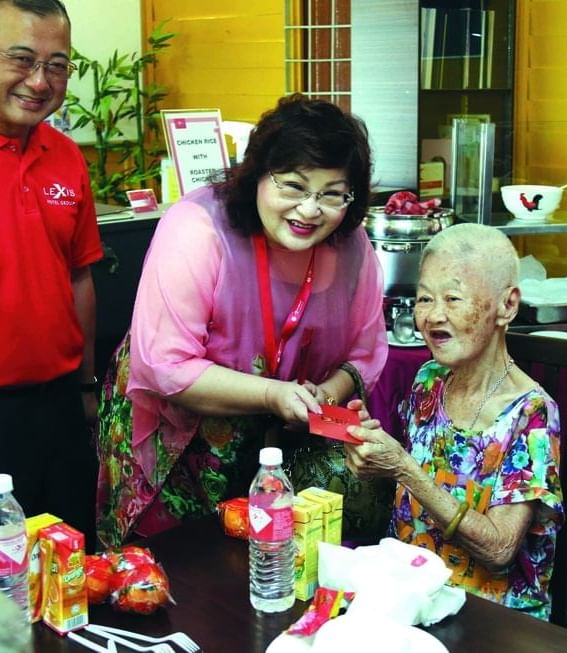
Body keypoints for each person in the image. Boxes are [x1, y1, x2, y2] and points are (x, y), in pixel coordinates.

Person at [96, 94, 389, 547]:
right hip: (177, 433)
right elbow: (165, 365)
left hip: (274, 445)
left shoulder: (350, 246)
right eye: (293, 185)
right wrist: (275, 394)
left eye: (332, 194)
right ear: (257, 175)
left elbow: (366, 352)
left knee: (261, 573)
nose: (311, 210)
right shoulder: (198, 228)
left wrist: (324, 394)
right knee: (169, 571)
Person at [344, 223, 564, 619]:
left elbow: (499, 551)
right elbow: (415, 489)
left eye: (453, 298)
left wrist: (404, 469)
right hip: (412, 593)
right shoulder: (429, 379)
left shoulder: (531, 413)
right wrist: (369, 451)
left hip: (491, 616)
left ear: (507, 306)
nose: (432, 316)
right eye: (425, 298)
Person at [0, 0, 102, 546]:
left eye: (57, 64)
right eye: (21, 58)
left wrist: (86, 387)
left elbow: (79, 276)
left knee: (70, 566)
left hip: (60, 407)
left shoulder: (65, 155)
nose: (40, 81)